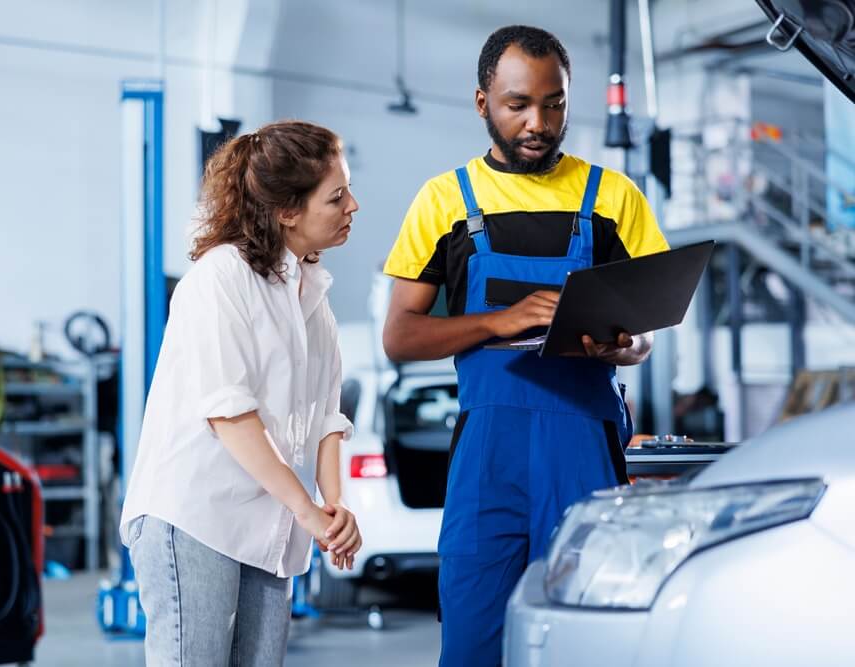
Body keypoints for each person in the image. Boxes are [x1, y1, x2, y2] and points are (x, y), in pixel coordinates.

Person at [381, 25, 669, 666]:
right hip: (489, 461)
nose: (538, 122)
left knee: (586, 638)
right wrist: (498, 321)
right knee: (473, 639)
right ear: (482, 102)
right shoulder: (444, 202)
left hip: (586, 451)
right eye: (518, 105)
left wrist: (622, 348)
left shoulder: (614, 200)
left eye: (555, 103)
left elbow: (645, 334)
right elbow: (400, 335)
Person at [120, 120, 363, 666]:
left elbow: (327, 417)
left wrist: (334, 504)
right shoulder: (219, 278)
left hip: (268, 522)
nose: (353, 206)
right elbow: (229, 416)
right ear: (286, 211)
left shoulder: (313, 296)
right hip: (194, 515)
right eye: (337, 195)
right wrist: (306, 509)